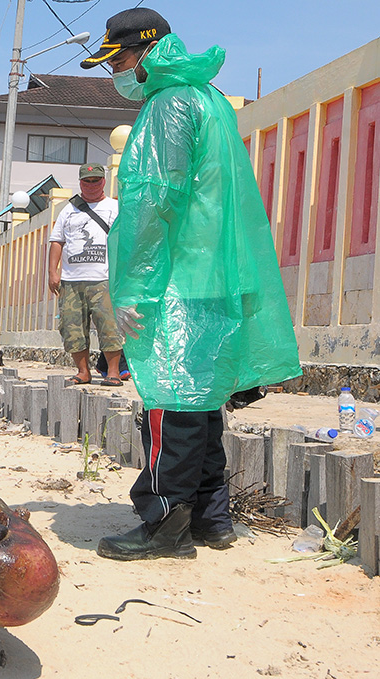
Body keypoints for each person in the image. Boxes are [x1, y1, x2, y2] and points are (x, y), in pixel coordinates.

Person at [80, 8, 301, 560]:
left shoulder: (166, 106)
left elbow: (153, 203)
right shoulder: (209, 100)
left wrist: (133, 289)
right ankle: (211, 516)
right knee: (201, 399)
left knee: (169, 399)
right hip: (216, 277)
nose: (121, 72)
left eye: (123, 59)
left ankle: (164, 524)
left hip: (175, 280)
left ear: (149, 53)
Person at [47, 163, 124, 386]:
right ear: (80, 182)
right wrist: (53, 272)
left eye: (96, 181)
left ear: (104, 182)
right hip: (71, 281)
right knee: (72, 328)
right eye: (87, 181)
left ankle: (113, 372)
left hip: (104, 279)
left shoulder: (115, 207)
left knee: (109, 326)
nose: (91, 185)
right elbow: (57, 241)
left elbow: (126, 239)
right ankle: (82, 371)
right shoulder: (68, 210)